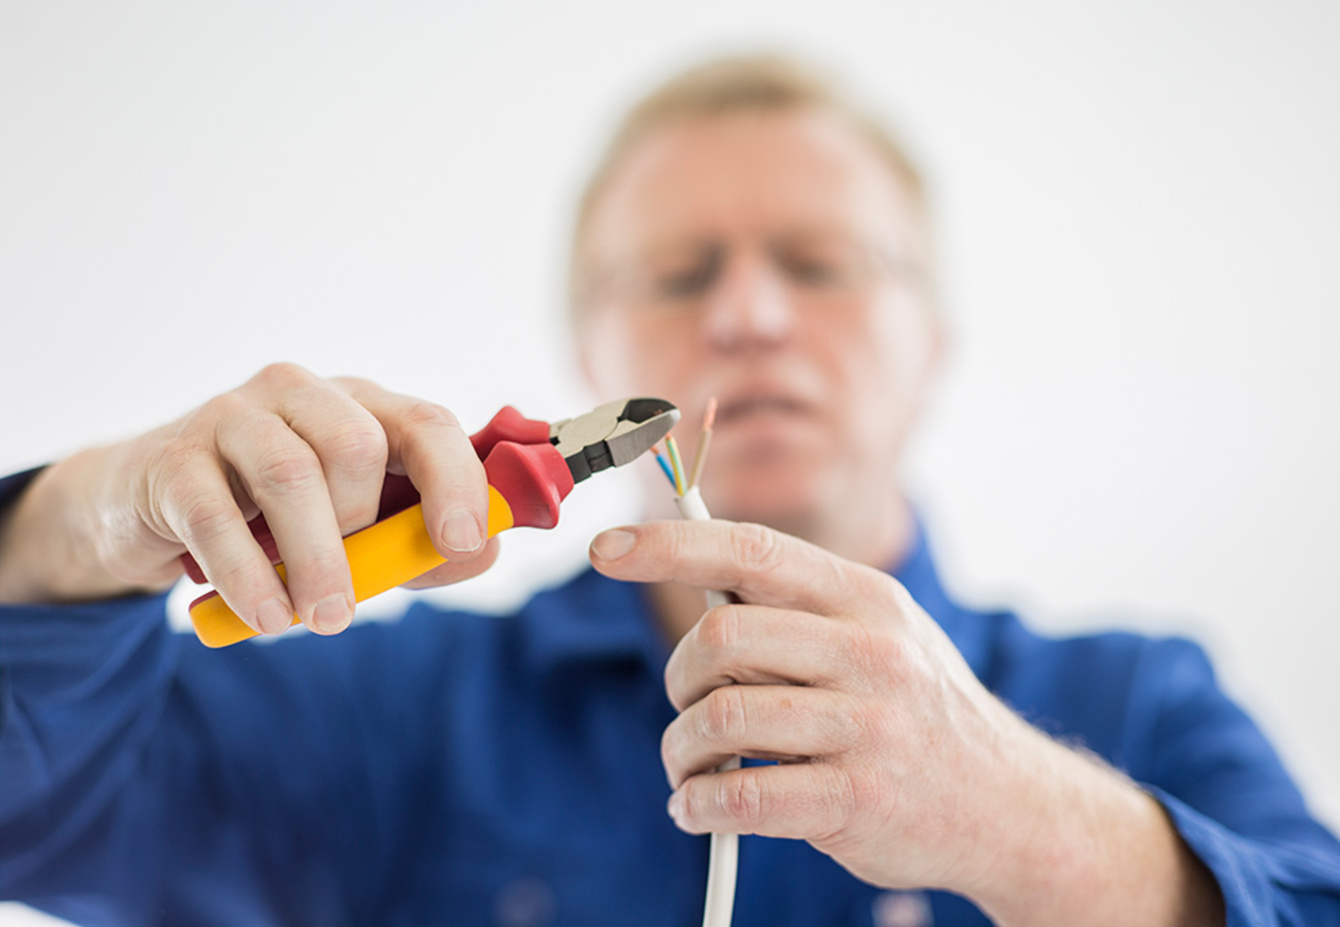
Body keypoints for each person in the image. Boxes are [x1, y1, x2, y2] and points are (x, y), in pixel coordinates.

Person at [1, 54, 1337, 927]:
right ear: (591, 358)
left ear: (932, 344)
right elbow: (33, 805)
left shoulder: (1137, 706)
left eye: (821, 263)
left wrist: (1024, 820)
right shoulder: (401, 720)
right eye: (682, 274)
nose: (750, 316)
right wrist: (85, 517)